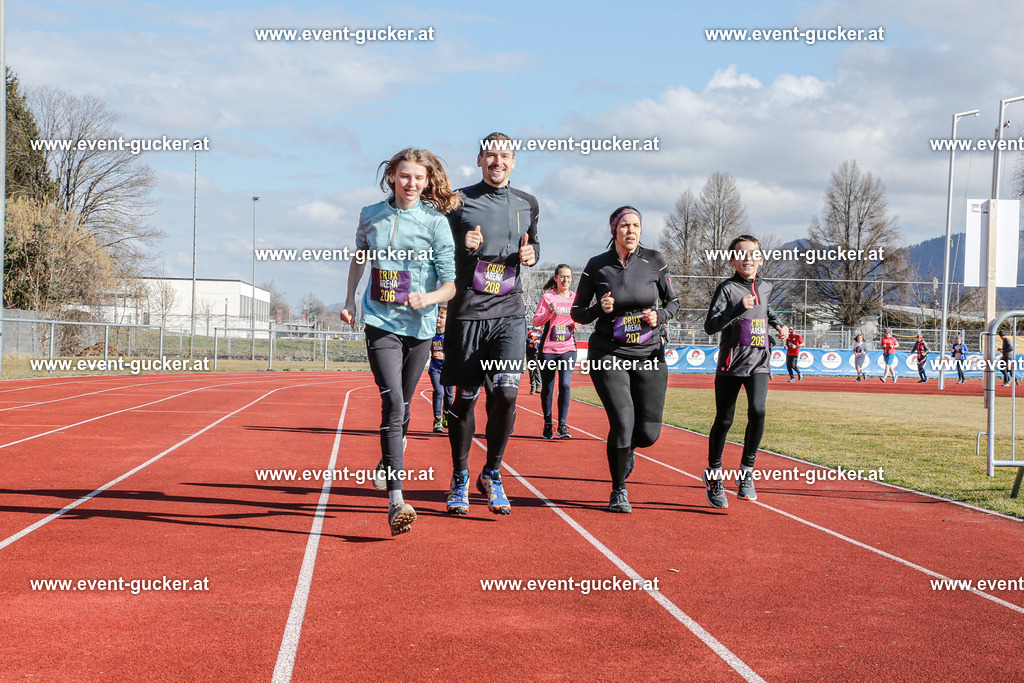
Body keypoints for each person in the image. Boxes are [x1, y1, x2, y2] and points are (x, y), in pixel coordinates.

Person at [340, 147, 458, 536]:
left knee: (403, 407)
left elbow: (451, 285)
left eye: (419, 178)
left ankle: (394, 446)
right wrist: (349, 300)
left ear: (427, 182)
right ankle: (396, 500)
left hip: (420, 327)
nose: (411, 184)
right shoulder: (370, 215)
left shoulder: (436, 223)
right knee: (392, 401)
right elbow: (360, 257)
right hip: (379, 320)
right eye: (405, 176)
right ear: (391, 175)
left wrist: (429, 298)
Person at [442, 132, 539, 516]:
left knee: (508, 394)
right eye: (490, 155)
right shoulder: (458, 202)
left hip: (509, 313)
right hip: (467, 314)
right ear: (480, 160)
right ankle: (460, 475)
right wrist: (462, 245)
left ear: (514, 161)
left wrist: (532, 254)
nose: (497, 161)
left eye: (505, 155)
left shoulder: (528, 203)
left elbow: (534, 245)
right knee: (465, 400)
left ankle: (493, 472)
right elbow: (440, 254)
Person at [571, 206, 679, 513]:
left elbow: (674, 301)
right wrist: (598, 309)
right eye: (624, 226)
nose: (630, 231)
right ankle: (619, 490)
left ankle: (628, 449)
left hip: (649, 353)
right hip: (608, 352)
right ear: (613, 231)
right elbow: (577, 312)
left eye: (636, 226)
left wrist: (660, 315)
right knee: (622, 422)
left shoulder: (655, 261)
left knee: (647, 434)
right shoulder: (597, 266)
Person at [702, 234, 789, 508]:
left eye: (753, 254)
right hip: (731, 363)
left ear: (761, 260)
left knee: (758, 411)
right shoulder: (726, 289)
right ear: (732, 260)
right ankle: (714, 475)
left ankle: (746, 472)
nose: (747, 258)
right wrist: (738, 309)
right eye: (741, 254)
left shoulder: (765, 287)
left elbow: (766, 309)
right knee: (724, 421)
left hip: (759, 361)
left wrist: (779, 325)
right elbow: (710, 325)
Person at [533, 264, 578, 439]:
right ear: (556, 278)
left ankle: (563, 425)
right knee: (548, 387)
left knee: (565, 385)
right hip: (548, 349)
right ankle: (547, 423)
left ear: (571, 279)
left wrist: (578, 322)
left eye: (569, 277)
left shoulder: (575, 298)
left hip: (568, 348)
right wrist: (549, 314)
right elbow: (537, 322)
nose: (566, 280)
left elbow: (580, 318)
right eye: (562, 277)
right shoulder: (547, 297)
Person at [429, 306, 455, 432]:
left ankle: (447, 414)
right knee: (439, 392)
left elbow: (458, 352)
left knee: (449, 396)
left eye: (441, 317)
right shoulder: (431, 334)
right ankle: (437, 419)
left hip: (448, 368)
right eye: (437, 317)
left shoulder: (451, 335)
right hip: (435, 368)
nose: (438, 319)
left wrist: (445, 356)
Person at [526, 327, 543, 394]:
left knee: (537, 369)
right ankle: (533, 386)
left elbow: (545, 339)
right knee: (531, 370)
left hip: (537, 352)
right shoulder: (529, 330)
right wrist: (532, 341)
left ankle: (539, 386)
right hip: (529, 352)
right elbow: (525, 338)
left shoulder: (542, 330)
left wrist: (539, 341)